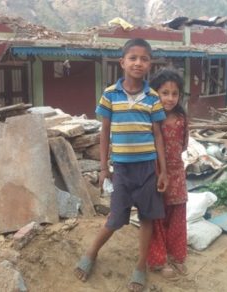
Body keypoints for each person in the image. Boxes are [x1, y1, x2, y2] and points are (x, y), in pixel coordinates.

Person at [74, 38, 168, 292]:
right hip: (122, 171)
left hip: (148, 169)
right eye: (133, 58)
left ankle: (140, 267)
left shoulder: (152, 97)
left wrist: (164, 171)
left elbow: (158, 134)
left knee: (147, 218)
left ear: (150, 64)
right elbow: (104, 132)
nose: (138, 63)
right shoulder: (109, 94)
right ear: (122, 62)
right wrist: (104, 167)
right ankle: (92, 252)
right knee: (115, 218)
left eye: (144, 58)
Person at [147, 68, 189, 278]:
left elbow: (183, 146)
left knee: (177, 214)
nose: (170, 98)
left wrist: (174, 167)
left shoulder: (181, 117)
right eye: (165, 93)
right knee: (157, 216)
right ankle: (158, 259)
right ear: (155, 93)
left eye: (175, 93)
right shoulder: (150, 119)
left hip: (177, 172)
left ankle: (177, 255)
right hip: (155, 173)